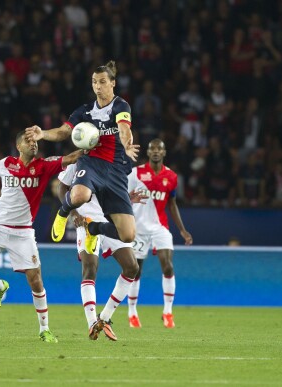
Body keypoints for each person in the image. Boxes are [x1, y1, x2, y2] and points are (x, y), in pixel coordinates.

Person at [0, 131, 82, 343]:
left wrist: (91, 145)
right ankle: (0, 287)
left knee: (36, 280)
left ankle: (44, 329)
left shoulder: (44, 165)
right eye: (28, 141)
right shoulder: (7, 163)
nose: (33, 144)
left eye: (35, 142)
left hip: (23, 232)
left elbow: (71, 158)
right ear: (18, 146)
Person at [25, 60, 140, 257]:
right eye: (94, 82)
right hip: (91, 162)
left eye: (102, 81)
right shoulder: (84, 111)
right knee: (79, 196)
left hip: (116, 170)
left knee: (128, 235)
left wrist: (127, 142)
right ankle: (63, 212)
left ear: (113, 83)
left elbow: (123, 128)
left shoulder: (121, 105)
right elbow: (63, 132)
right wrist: (42, 134)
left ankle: (94, 229)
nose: (98, 86)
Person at [57, 163, 141, 341]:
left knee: (132, 267)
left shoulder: (114, 163)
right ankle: (91, 323)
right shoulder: (81, 162)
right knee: (90, 268)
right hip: (86, 221)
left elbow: (111, 192)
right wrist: (72, 214)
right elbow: (62, 187)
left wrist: (127, 198)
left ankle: (105, 317)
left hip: (110, 219)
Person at [127, 139, 193, 329]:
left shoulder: (171, 176)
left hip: (160, 228)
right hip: (137, 229)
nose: (156, 151)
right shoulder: (135, 173)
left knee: (168, 267)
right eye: (152, 149)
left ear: (164, 153)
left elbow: (172, 204)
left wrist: (182, 229)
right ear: (148, 152)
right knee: (135, 271)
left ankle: (168, 312)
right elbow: (122, 196)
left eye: (159, 149)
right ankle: (132, 313)